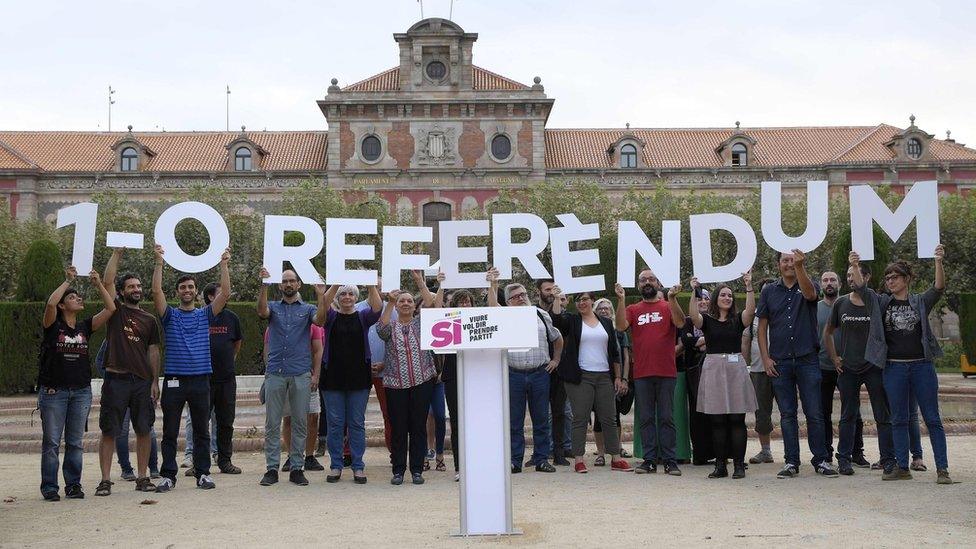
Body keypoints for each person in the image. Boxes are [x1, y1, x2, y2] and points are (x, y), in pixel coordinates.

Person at [849, 247, 952, 484]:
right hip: (894, 368)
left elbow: (938, 287)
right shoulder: (881, 303)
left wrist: (938, 261)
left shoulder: (920, 302)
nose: (890, 281)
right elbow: (862, 289)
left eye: (895, 277)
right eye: (887, 278)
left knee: (932, 418)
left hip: (921, 367)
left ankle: (943, 470)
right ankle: (902, 467)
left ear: (906, 279)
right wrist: (855, 265)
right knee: (899, 418)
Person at [152, 244, 230, 492]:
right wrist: (159, 262)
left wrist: (224, 264)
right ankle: (168, 476)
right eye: (183, 287)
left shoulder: (205, 314)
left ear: (196, 292)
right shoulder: (169, 315)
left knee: (201, 431)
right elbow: (155, 290)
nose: (187, 290)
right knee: (170, 431)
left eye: (191, 287)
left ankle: (203, 473)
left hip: (199, 380)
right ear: (177, 292)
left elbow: (226, 292)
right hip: (174, 380)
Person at [38, 266, 116, 501]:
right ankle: (50, 487)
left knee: (74, 442)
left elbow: (111, 308)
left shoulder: (85, 327)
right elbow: (50, 304)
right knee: (52, 442)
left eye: (77, 295)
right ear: (63, 305)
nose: (78, 298)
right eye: (72, 297)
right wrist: (67, 280)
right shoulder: (53, 325)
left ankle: (73, 485)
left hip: (80, 392)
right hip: (54, 391)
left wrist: (98, 284)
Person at [757, 250, 836, 478]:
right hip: (780, 360)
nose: (789, 264)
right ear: (778, 265)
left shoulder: (808, 283)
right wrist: (765, 357)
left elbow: (811, 296)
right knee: (787, 414)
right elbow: (762, 327)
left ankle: (821, 460)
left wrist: (801, 267)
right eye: (785, 261)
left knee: (814, 412)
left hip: (807, 359)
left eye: (792, 260)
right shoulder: (769, 291)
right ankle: (791, 461)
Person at [95, 249, 163, 496]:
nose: (136, 289)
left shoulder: (149, 320)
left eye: (138, 285)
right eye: (131, 286)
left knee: (144, 429)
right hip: (116, 380)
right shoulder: (114, 311)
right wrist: (116, 254)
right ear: (122, 291)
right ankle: (105, 480)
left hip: (141, 383)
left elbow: (153, 351)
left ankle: (143, 477)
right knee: (110, 430)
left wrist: (155, 381)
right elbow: (107, 281)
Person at [681, 272, 756, 479]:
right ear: (716, 298)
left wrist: (748, 286)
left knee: (736, 420)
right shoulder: (707, 320)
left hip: (735, 369)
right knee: (718, 422)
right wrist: (694, 291)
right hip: (713, 370)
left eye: (730, 295)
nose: (727, 298)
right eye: (723, 295)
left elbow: (750, 312)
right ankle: (720, 466)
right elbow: (693, 316)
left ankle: (739, 465)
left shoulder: (738, 320)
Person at [488, 269, 563, 473]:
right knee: (514, 421)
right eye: (516, 296)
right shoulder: (502, 316)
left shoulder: (541, 314)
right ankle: (515, 461)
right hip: (513, 374)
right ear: (508, 301)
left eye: (524, 294)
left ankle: (541, 459)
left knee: (541, 419)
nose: (522, 298)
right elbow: (492, 306)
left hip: (540, 373)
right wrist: (493, 285)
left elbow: (557, 338)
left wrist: (556, 360)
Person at [550, 288, 633, 473]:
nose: (581, 302)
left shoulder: (605, 322)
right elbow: (556, 321)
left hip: (604, 375)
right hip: (581, 377)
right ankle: (579, 459)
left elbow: (614, 352)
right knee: (580, 418)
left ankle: (616, 458)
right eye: (578, 299)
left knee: (609, 418)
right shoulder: (572, 320)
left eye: (585, 299)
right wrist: (556, 298)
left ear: (592, 300)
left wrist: (618, 377)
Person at [824, 262, 895, 476]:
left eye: (854, 275)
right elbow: (827, 332)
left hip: (873, 367)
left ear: (866, 278)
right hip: (849, 369)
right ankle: (844, 459)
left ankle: (888, 459)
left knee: (882, 415)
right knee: (848, 414)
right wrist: (834, 357)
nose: (850, 279)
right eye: (847, 275)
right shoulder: (841, 303)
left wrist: (855, 262)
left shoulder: (875, 301)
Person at [614, 270, 685, 476]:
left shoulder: (667, 305)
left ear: (657, 283)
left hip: (666, 372)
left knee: (666, 418)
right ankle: (649, 461)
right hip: (643, 373)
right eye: (643, 280)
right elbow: (619, 326)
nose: (647, 282)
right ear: (638, 285)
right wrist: (620, 300)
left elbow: (681, 323)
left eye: (651, 279)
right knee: (645, 418)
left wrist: (672, 298)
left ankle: (670, 461)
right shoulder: (633, 309)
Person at [257, 268, 322, 487]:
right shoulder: (274, 308)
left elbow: (321, 321)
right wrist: (263, 286)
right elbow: (261, 311)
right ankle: (272, 469)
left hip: (300, 372)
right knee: (272, 423)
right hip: (275, 372)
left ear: (298, 285)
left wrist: (321, 294)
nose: (288, 284)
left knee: (300, 422)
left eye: (292, 280)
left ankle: (297, 468)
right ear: (279, 285)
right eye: (284, 281)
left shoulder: (308, 309)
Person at [376, 272, 442, 485]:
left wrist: (420, 283)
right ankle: (398, 470)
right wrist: (390, 302)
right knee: (398, 427)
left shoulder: (423, 323)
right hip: (395, 384)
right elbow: (381, 328)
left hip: (422, 382)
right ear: (397, 306)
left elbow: (432, 306)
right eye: (401, 301)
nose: (405, 303)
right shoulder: (391, 326)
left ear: (415, 306)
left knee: (418, 426)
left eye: (409, 301)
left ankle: (416, 470)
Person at [315, 283, 382, 484]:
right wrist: (335, 282)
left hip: (358, 378)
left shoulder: (363, 316)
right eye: (343, 294)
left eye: (350, 294)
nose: (346, 297)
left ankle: (358, 465)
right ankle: (336, 465)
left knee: (356, 423)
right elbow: (324, 303)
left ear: (356, 297)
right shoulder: (331, 317)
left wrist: (371, 286)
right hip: (332, 378)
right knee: (335, 424)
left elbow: (378, 309)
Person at [817, 271, 867, 467]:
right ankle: (826, 453)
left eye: (833, 280)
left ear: (839, 283)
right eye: (825, 280)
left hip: (847, 367)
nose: (829, 283)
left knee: (854, 412)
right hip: (822, 367)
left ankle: (857, 452)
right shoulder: (815, 308)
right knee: (823, 414)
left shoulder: (849, 304)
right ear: (821, 285)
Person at [93, 340, 160, 481]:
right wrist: (110, 377)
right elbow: (100, 360)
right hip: (119, 388)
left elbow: (152, 355)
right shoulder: (113, 335)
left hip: (140, 388)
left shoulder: (143, 331)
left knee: (147, 430)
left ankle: (152, 467)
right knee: (120, 431)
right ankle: (126, 468)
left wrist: (150, 381)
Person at [268, 324, 325, 473]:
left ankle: (309, 456)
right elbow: (268, 350)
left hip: (307, 376)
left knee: (313, 416)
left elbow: (318, 351)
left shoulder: (312, 325)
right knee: (288, 418)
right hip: (283, 376)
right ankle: (291, 455)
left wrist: (315, 376)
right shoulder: (274, 324)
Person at [202, 282, 242, 474]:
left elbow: (237, 344)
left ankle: (225, 461)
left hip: (226, 380)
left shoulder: (232, 318)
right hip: (203, 379)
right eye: (221, 294)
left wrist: (228, 363)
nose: (226, 296)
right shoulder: (201, 316)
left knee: (226, 422)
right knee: (201, 422)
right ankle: (199, 464)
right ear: (211, 297)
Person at [592, 298, 634, 462]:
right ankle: (601, 453)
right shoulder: (592, 331)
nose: (604, 311)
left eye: (607, 308)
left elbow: (625, 356)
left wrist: (624, 379)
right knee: (599, 417)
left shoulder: (619, 331)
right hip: (596, 377)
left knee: (615, 414)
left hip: (615, 378)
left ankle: (617, 448)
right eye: (600, 308)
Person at [441, 290, 476, 481]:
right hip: (453, 375)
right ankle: (459, 467)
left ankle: (478, 464)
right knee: (457, 422)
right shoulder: (448, 321)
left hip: (477, 376)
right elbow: (435, 308)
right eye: (460, 302)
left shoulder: (482, 321)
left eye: (467, 302)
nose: (464, 305)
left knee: (477, 421)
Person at [536, 278, 571, 466]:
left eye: (553, 289)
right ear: (539, 292)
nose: (551, 292)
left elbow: (557, 325)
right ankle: (539, 454)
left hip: (557, 370)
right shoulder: (532, 311)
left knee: (559, 412)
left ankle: (559, 452)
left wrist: (557, 299)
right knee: (539, 413)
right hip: (537, 368)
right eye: (547, 289)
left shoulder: (563, 313)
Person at [742, 279, 776, 465]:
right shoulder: (752, 317)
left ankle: (791, 453)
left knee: (788, 413)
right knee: (761, 414)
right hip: (757, 370)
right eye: (764, 292)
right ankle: (765, 451)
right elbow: (746, 342)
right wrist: (743, 367)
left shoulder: (783, 313)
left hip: (782, 369)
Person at [681, 282, 713, 465]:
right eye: (698, 299)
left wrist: (697, 341)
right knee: (697, 412)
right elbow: (686, 342)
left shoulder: (716, 318)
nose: (702, 302)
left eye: (705, 298)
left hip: (714, 370)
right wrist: (706, 339)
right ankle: (701, 453)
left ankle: (721, 452)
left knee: (717, 411)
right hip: (694, 372)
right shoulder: (688, 321)